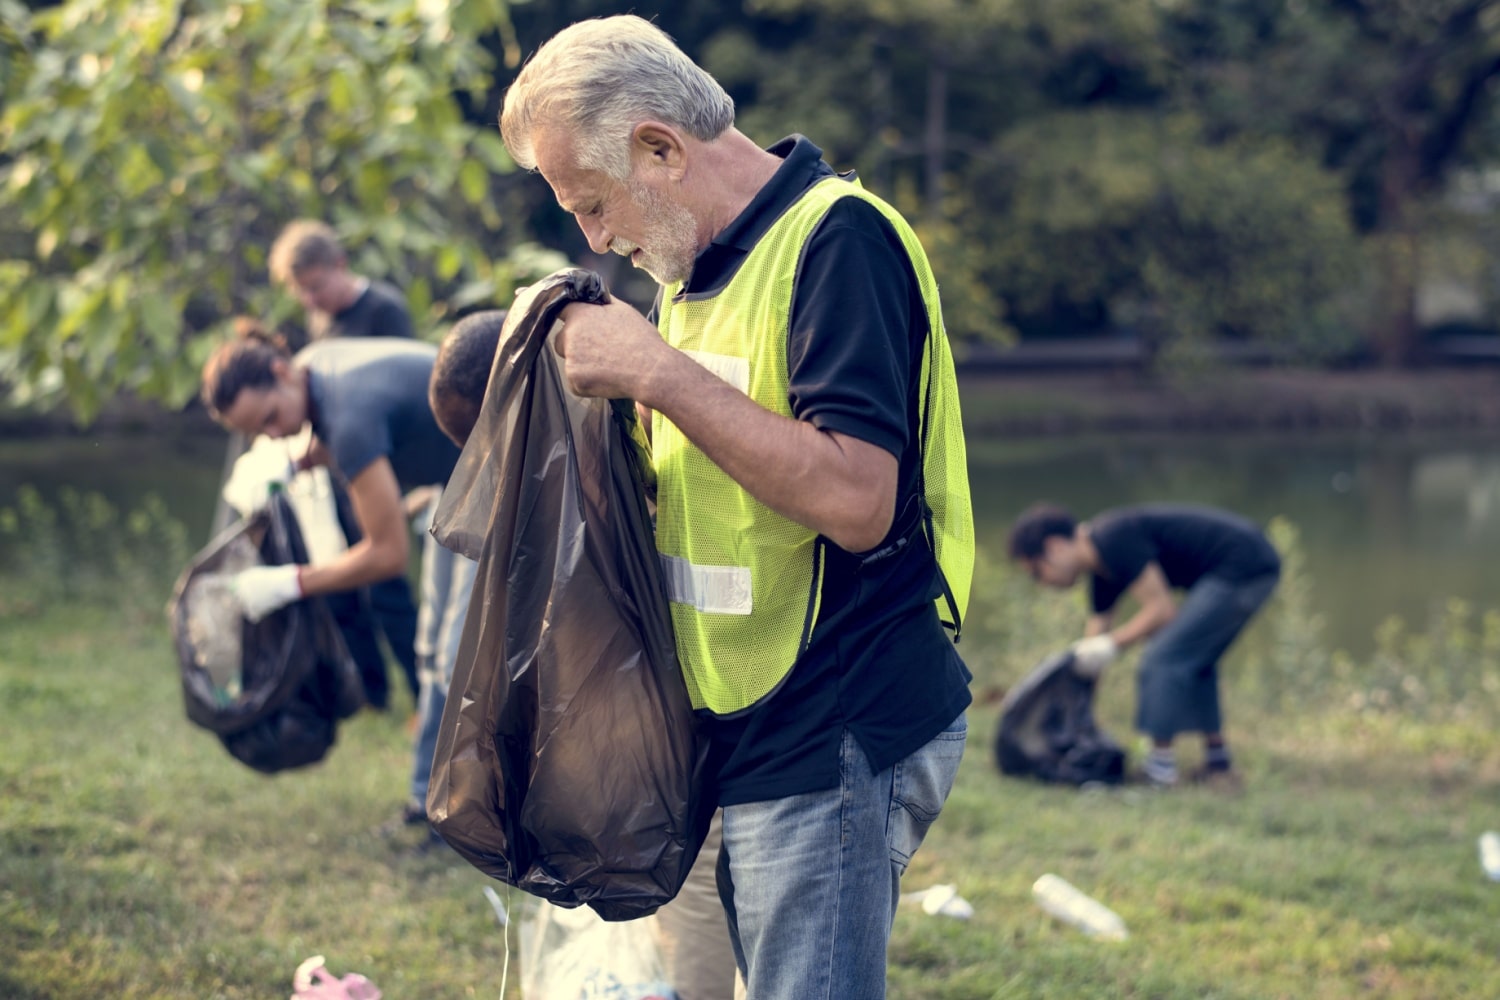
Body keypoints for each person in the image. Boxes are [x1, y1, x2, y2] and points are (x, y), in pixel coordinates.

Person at [499, 16, 975, 998]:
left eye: (593, 205)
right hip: (729, 723)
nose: (594, 238)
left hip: (835, 718)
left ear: (660, 148)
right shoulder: (690, 279)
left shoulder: (840, 241)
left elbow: (857, 500)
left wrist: (656, 374)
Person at [427, 307, 739, 1000]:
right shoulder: (591, 444)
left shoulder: (625, 433)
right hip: (696, 708)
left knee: (700, 889)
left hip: (725, 701)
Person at [200, 325, 475, 841]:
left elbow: (388, 556)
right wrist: (307, 458)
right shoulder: (313, 362)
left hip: (507, 469)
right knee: (433, 648)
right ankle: (429, 801)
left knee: (460, 654)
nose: (276, 434)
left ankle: (459, 816)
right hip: (459, 473)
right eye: (261, 434)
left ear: (280, 374)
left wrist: (292, 583)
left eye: (271, 419)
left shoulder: (347, 418)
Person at [1007, 502, 1282, 788]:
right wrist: (1078, 702)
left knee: (1161, 657)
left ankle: (1159, 771)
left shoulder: (1112, 540)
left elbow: (1162, 611)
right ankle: (1218, 763)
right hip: (1251, 561)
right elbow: (1094, 637)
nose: (1041, 583)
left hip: (1244, 564)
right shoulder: (1101, 567)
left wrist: (1111, 645)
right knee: (1193, 658)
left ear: (1054, 547)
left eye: (1037, 572)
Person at [269, 219, 415, 342]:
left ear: (340, 264)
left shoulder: (385, 310)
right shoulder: (318, 318)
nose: (310, 300)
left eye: (316, 287)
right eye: (301, 291)